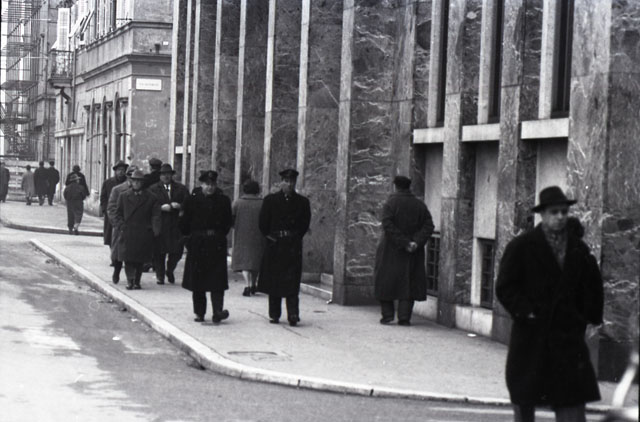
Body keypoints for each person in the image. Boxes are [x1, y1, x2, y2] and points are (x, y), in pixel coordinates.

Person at [496, 186, 604, 422]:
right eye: (554, 212)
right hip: (532, 339)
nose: (560, 217)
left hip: (567, 341)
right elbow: (505, 287)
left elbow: (592, 287)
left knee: (572, 406)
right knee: (525, 401)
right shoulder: (522, 246)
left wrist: (583, 317)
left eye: (564, 212)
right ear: (542, 214)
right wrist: (527, 312)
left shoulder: (578, 249)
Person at [373, 176, 434, 326]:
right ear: (408, 187)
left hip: (391, 249)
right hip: (413, 252)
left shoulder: (390, 204)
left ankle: (387, 315)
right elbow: (429, 226)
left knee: (385, 281)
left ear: (395, 187)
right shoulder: (419, 205)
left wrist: (403, 242)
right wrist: (415, 242)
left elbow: (387, 225)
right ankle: (404, 317)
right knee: (408, 284)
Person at [257, 169, 311, 326]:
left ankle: (293, 313)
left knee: (292, 280)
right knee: (275, 279)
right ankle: (274, 313)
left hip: (292, 245)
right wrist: (271, 237)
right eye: (286, 181)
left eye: (292, 181)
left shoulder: (302, 202)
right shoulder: (270, 200)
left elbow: (304, 223)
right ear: (281, 182)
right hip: (276, 244)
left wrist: (295, 237)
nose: (289, 184)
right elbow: (263, 223)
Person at [179, 170, 232, 323]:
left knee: (217, 280)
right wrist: (190, 239)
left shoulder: (223, 201)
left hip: (216, 243)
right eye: (207, 184)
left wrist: (219, 236)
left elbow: (227, 222)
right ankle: (199, 312)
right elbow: (183, 223)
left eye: (213, 184)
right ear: (201, 184)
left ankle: (217, 311)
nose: (210, 187)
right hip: (198, 243)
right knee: (198, 281)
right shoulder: (191, 200)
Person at [112, 169, 161, 290]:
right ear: (131, 181)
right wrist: (121, 225)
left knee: (140, 259)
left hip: (143, 231)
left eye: (139, 181)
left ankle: (137, 281)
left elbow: (156, 215)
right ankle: (130, 280)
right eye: (134, 181)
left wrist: (155, 229)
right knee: (127, 258)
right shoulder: (124, 196)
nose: (136, 183)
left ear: (143, 182)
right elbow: (117, 214)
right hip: (127, 231)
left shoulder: (151, 197)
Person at [149, 163, 189, 285]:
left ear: (172, 175)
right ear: (159, 176)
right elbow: (148, 206)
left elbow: (189, 203)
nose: (166, 176)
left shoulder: (181, 188)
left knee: (177, 251)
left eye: (168, 174)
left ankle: (170, 269)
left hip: (176, 225)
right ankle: (160, 276)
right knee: (159, 252)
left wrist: (180, 206)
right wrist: (160, 208)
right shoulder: (153, 189)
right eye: (163, 174)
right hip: (161, 224)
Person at [232, 180, 265, 296]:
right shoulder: (262, 203)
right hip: (259, 235)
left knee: (244, 261)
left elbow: (231, 218)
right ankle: (254, 284)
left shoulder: (237, 203)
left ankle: (247, 285)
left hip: (242, 235)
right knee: (255, 261)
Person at [107, 165, 137, 284]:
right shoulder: (117, 190)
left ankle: (132, 279)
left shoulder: (143, 191)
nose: (134, 180)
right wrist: (118, 224)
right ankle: (117, 271)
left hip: (135, 228)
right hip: (121, 227)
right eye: (131, 177)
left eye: (138, 179)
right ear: (127, 177)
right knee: (118, 253)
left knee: (132, 254)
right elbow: (111, 208)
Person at [100, 161, 128, 248]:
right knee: (110, 237)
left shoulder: (127, 183)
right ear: (115, 171)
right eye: (119, 170)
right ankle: (112, 252)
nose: (121, 172)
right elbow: (103, 197)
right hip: (111, 212)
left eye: (123, 170)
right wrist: (105, 210)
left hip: (124, 213)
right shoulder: (108, 182)